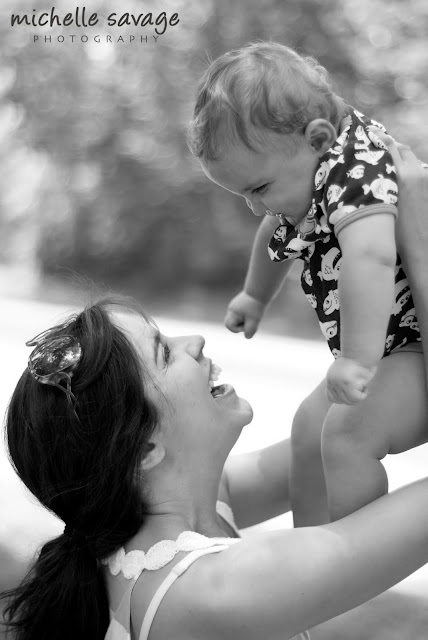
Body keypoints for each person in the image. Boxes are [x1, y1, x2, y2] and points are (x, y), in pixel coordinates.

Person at [2, 214, 428, 640]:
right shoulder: (217, 589)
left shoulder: (166, 523)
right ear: (146, 450)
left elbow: (323, 436)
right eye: (165, 355)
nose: (195, 341)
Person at [186, 40, 428, 526]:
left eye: (259, 188)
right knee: (308, 429)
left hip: (412, 347)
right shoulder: (309, 166)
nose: (255, 205)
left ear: (318, 139)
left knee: (346, 435)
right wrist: (255, 295)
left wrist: (356, 360)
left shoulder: (358, 171)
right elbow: (273, 226)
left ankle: (354, 556)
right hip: (390, 350)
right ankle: (312, 542)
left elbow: (372, 257)